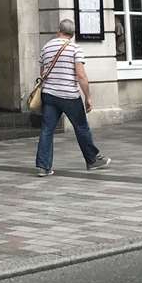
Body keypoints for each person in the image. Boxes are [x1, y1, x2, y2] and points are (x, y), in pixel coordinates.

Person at [34, 18, 110, 176]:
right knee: (81, 127)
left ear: (58, 31)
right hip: (69, 95)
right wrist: (88, 97)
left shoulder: (46, 47)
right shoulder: (75, 48)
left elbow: (42, 73)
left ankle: (43, 166)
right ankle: (93, 160)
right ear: (73, 33)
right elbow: (81, 75)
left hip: (49, 94)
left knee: (47, 130)